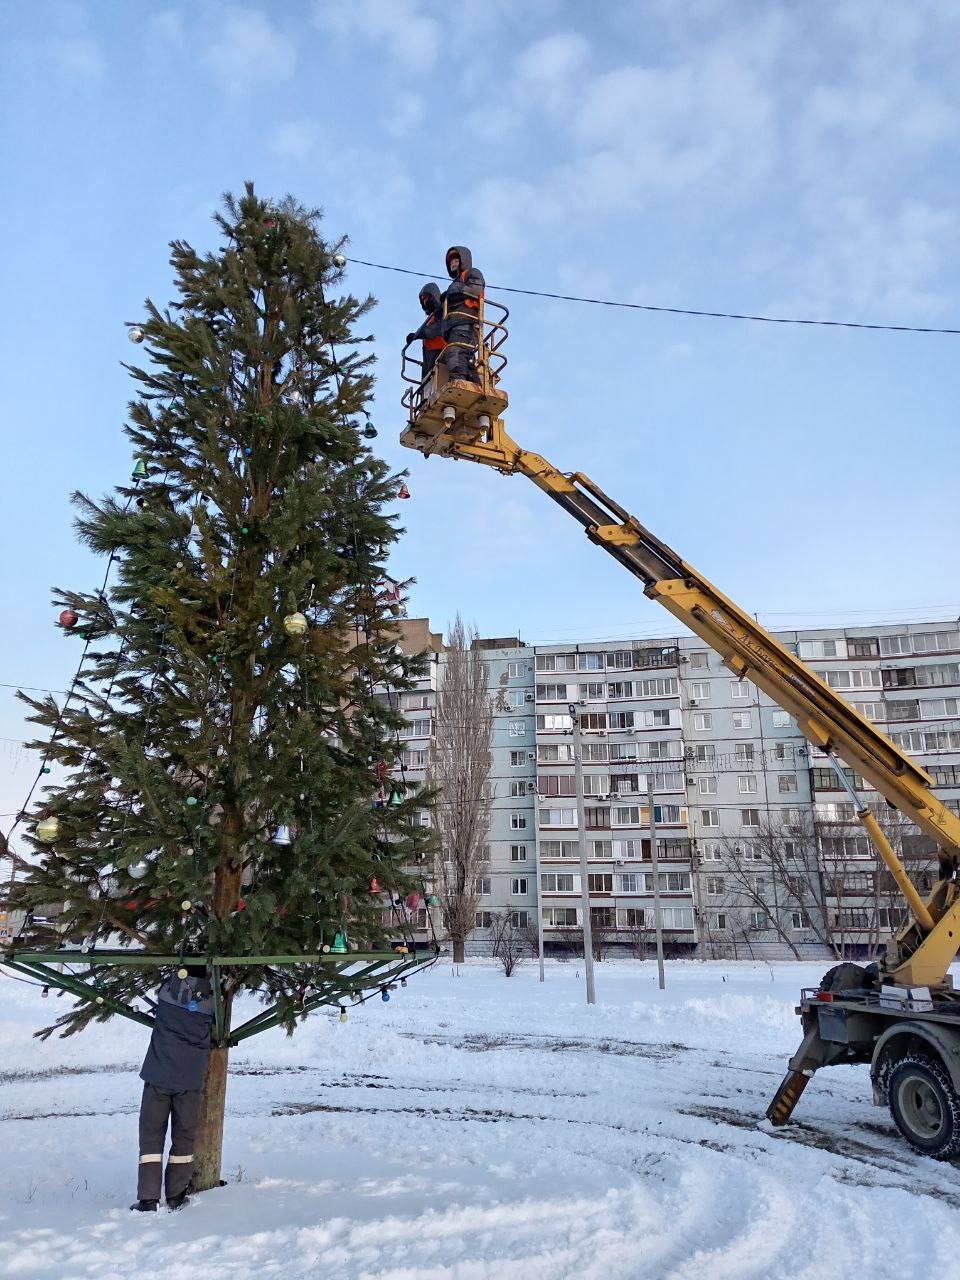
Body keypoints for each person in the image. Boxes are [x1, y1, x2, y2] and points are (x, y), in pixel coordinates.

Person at [131, 965, 215, 1212]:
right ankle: (176, 1194)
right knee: (184, 1138)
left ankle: (148, 1199)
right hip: (189, 1082)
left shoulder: (167, 997)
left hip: (158, 1078)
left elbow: (167, 986)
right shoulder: (210, 1007)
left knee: (151, 1138)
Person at [442, 245, 485, 384]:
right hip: (456, 325)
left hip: (466, 322)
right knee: (465, 356)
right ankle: (476, 384)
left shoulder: (472, 273)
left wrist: (457, 289)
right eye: (451, 262)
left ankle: (458, 381)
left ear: (463, 260)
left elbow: (476, 289)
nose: (453, 264)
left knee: (456, 352)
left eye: (456, 260)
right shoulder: (455, 282)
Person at [405, 283, 447, 386]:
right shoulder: (430, 318)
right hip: (430, 360)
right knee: (429, 383)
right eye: (423, 300)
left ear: (433, 296)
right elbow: (426, 331)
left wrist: (419, 334)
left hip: (443, 354)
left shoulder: (444, 309)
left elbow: (438, 328)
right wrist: (416, 334)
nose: (425, 302)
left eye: (426, 298)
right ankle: (425, 384)